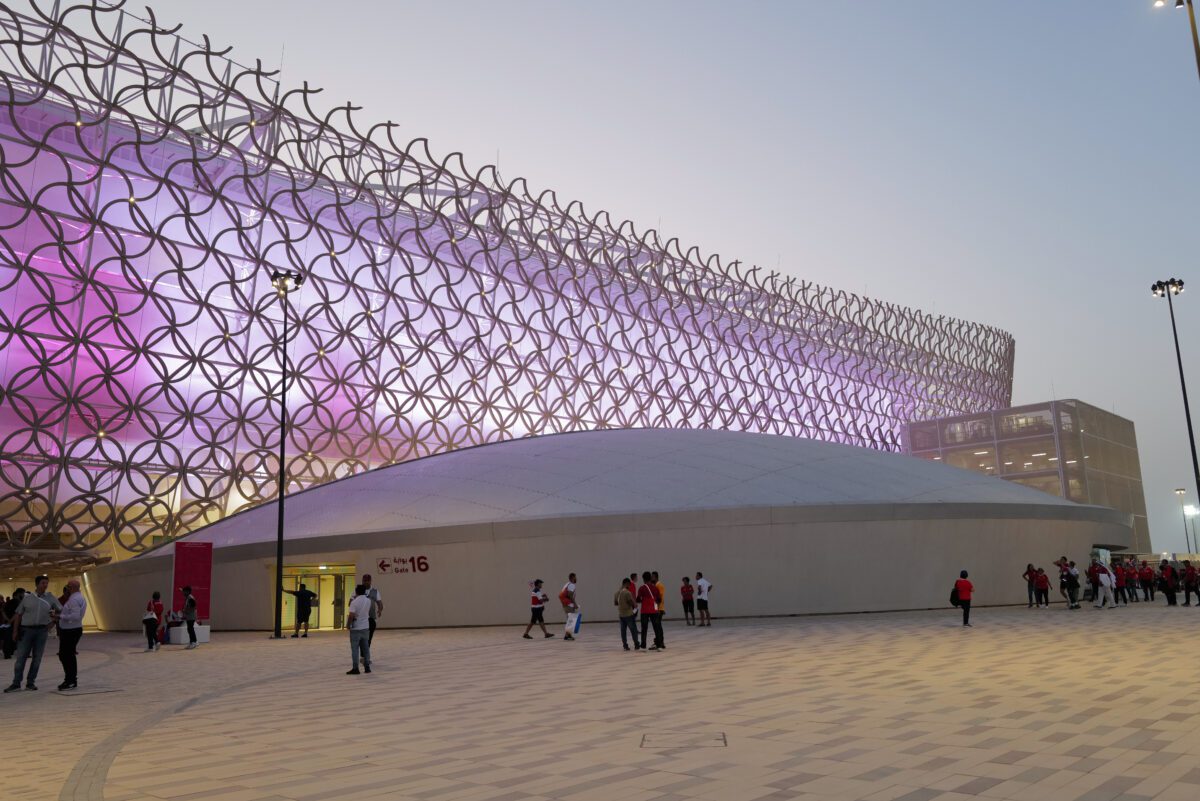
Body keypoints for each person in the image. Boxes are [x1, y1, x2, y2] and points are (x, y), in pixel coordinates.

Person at [5, 575, 62, 692]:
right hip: (26, 630)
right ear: (37, 584)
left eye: (46, 583)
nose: (45, 585)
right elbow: (18, 615)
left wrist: (53, 622)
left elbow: (61, 610)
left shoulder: (50, 598)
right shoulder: (27, 598)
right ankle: (16, 683)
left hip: (41, 631)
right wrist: (15, 631)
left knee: (37, 658)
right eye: (43, 583)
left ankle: (30, 682)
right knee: (21, 657)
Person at [56, 579, 85, 690]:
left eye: (68, 586)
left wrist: (60, 617)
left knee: (66, 656)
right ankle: (71, 679)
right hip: (73, 630)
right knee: (68, 655)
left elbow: (75, 616)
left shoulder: (73, 600)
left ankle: (70, 680)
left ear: (71, 587)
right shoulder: (79, 598)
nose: (67, 588)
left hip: (70, 630)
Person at [346, 584, 372, 675]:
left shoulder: (354, 602)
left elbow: (351, 615)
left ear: (356, 592)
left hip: (356, 628)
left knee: (355, 649)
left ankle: (355, 668)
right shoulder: (368, 601)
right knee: (366, 648)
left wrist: (348, 625)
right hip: (365, 627)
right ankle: (367, 667)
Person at [636, 571, 663, 650]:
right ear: (650, 578)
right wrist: (655, 607)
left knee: (644, 628)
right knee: (656, 628)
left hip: (644, 611)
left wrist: (642, 600)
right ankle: (659, 645)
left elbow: (638, 599)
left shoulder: (642, 588)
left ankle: (643, 646)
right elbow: (659, 599)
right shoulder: (655, 588)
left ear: (643, 579)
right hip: (654, 610)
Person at [613, 578, 637, 651]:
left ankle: (625, 645)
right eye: (629, 584)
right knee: (633, 630)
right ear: (626, 583)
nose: (629, 586)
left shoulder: (616, 593)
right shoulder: (627, 593)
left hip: (621, 614)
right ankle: (636, 644)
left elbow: (615, 603)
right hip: (628, 614)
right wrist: (634, 605)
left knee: (623, 631)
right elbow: (630, 602)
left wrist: (622, 604)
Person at [1, 589, 22, 659]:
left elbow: (2, 612)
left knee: (7, 639)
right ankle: (14, 651)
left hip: (7, 623)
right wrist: (11, 620)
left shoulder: (7, 602)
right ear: (18, 594)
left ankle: (7, 653)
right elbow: (17, 614)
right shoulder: (19, 603)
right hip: (15, 623)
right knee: (18, 638)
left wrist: (7, 620)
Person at [362, 574, 383, 644]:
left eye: (368, 581)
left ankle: (365, 651)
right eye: (364, 581)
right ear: (362, 581)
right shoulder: (357, 590)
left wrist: (380, 610)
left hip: (371, 618)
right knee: (362, 637)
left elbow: (379, 603)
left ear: (371, 581)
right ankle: (364, 650)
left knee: (369, 637)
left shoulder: (375, 591)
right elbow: (351, 601)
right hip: (360, 618)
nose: (366, 582)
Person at [559, 573, 578, 641]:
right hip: (569, 604)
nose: (576, 579)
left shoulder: (567, 584)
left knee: (570, 620)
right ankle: (567, 635)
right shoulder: (572, 585)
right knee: (571, 620)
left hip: (566, 604)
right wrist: (575, 604)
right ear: (572, 578)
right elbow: (570, 596)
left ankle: (568, 635)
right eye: (575, 577)